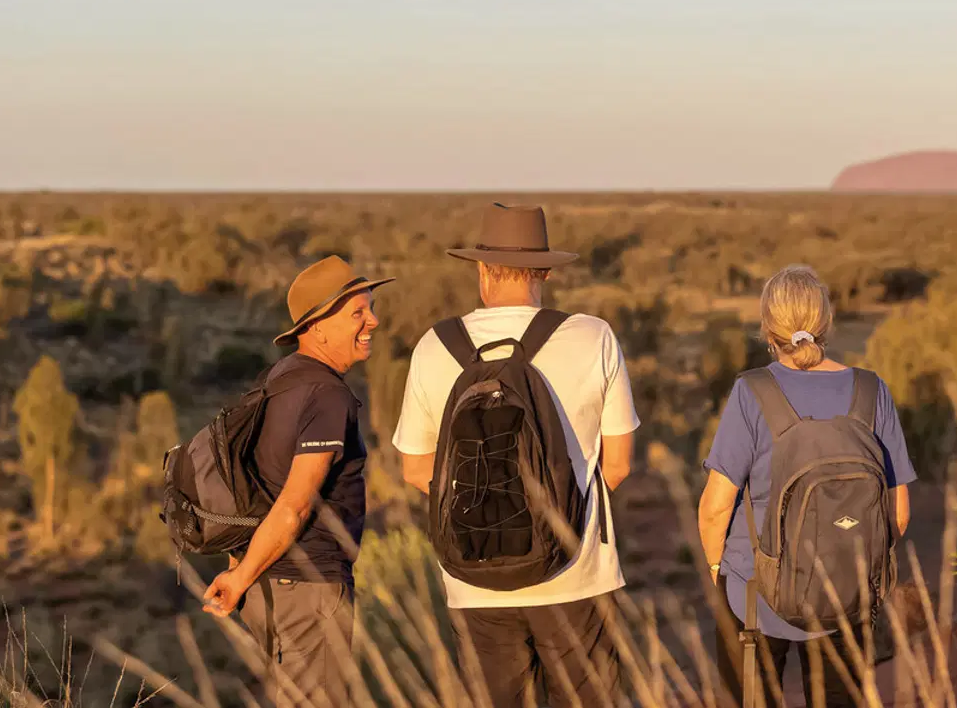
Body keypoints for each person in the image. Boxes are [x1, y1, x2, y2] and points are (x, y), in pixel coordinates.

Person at [392, 202, 639, 708]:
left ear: (482, 270)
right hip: (578, 573)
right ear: (545, 271)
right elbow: (618, 465)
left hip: (474, 580)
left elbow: (417, 469)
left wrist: (489, 512)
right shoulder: (593, 337)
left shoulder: (434, 346)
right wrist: (555, 516)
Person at [697, 265, 917, 708]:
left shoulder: (751, 392)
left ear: (767, 328)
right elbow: (899, 512)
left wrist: (720, 572)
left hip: (756, 594)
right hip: (847, 595)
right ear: (826, 322)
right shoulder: (871, 392)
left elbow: (716, 507)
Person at [203, 255, 393, 708]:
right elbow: (294, 506)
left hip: (271, 587)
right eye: (357, 313)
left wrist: (243, 572)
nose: (374, 321)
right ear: (318, 327)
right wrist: (239, 580)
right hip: (306, 589)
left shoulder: (279, 378)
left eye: (370, 308)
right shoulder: (328, 396)